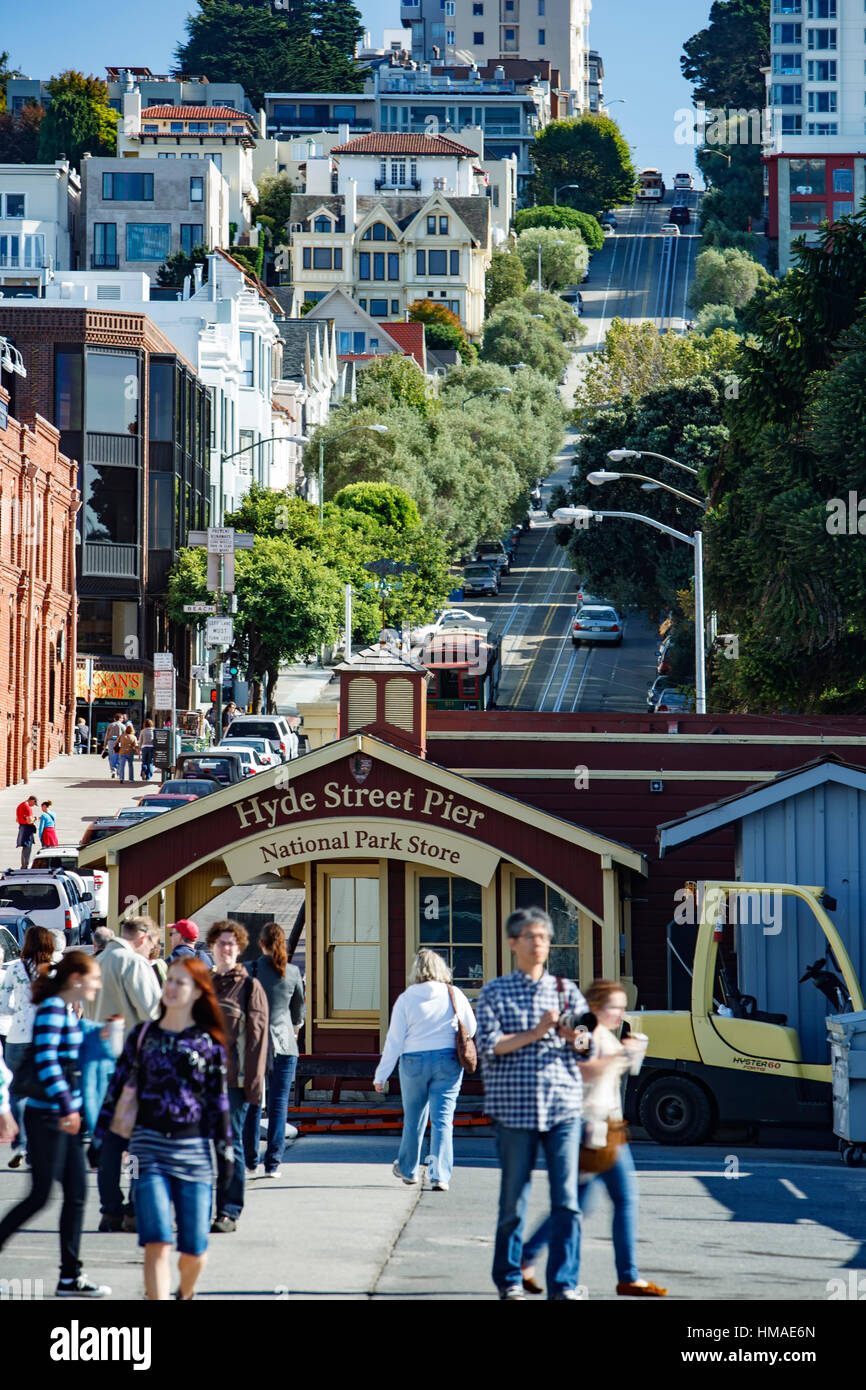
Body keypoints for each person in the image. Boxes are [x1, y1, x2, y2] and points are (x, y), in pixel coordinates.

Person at [92, 958, 232, 1300]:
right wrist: (100, 1138)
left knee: (194, 1250)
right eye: (169, 980)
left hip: (195, 1153)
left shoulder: (209, 1043)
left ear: (198, 991)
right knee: (156, 1241)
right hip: (146, 1151)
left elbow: (219, 1104)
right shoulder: (142, 1035)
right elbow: (116, 1089)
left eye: (180, 982)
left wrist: (226, 1155)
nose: (170, 987)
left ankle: (185, 1293)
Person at [475, 906, 593, 1301]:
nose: (539, 944)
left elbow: (585, 1047)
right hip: (514, 1110)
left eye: (544, 937)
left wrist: (568, 1034)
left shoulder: (566, 990)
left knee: (567, 1201)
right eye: (531, 937)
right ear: (513, 943)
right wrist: (537, 1031)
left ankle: (563, 1284)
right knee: (513, 1201)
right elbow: (490, 1048)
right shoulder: (494, 991)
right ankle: (509, 1279)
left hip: (563, 1109)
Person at [521, 981, 667, 1298]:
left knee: (589, 1204)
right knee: (594, 1204)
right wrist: (620, 1057)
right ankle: (615, 1277)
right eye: (615, 1006)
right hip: (590, 1129)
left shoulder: (600, 1033)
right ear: (596, 1005)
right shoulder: (585, 1030)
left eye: (623, 1006)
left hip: (609, 1128)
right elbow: (583, 1069)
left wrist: (628, 1057)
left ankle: (529, 1257)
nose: (621, 1012)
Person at [0, 951, 112, 1297]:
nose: (98, 983)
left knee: (76, 1195)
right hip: (48, 1116)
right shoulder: (52, 1009)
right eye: (94, 977)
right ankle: (68, 1275)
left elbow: (74, 1042)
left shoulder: (63, 1009)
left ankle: (70, 1278)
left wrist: (103, 1032)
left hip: (63, 1117)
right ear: (76, 979)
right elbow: (47, 1061)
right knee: (40, 1196)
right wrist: (67, 1106)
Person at [373, 948, 476, 1192]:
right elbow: (470, 1028)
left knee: (414, 1117)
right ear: (441, 969)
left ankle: (409, 1169)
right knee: (443, 1120)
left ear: (416, 970)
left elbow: (394, 1041)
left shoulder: (407, 999)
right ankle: (440, 1175)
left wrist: (381, 1076)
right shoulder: (454, 994)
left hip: (413, 1061)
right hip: (447, 1060)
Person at [91, 916, 162, 1234]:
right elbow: (153, 1013)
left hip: (98, 1062)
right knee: (136, 1144)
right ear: (144, 938)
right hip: (132, 1067)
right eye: (154, 944)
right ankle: (133, 1207)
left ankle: (109, 1209)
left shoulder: (98, 960)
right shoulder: (133, 963)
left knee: (107, 1143)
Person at [206, 920, 268, 1233]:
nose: (226, 948)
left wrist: (253, 1088)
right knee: (201, 1146)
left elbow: (257, 1042)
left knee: (230, 1147)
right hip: (201, 1083)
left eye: (232, 943)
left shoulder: (249, 987)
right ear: (211, 947)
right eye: (221, 943)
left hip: (234, 1083)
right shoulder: (201, 984)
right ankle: (201, 1209)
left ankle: (229, 1211)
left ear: (240, 948)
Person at [242, 923, 305, 1179]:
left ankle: (250, 1159)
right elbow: (298, 1012)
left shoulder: (248, 970)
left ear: (261, 944)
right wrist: (295, 1030)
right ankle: (273, 1163)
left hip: (255, 1044)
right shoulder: (291, 972)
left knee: (253, 1103)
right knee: (279, 1105)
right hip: (284, 1043)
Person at [0, 925, 59, 1169]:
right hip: (47, 1037)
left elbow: (3, 1004)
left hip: (18, 1035)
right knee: (46, 1091)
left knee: (16, 1092)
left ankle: (21, 1144)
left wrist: (20, 1011)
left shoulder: (14, 968)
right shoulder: (56, 970)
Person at [15, 795, 37, 869]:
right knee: (27, 847)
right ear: (32, 800)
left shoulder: (20, 806)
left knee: (25, 847)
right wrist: (35, 818)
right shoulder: (27, 808)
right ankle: (25, 866)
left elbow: (17, 820)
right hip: (27, 829)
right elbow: (30, 821)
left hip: (22, 827)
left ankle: (24, 865)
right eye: (34, 803)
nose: (33, 805)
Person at [102, 712, 124, 779]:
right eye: (122, 718)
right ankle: (118, 772)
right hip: (119, 742)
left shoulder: (110, 725)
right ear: (120, 718)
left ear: (115, 719)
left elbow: (106, 735)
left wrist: (105, 744)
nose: (123, 719)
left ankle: (112, 770)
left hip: (110, 741)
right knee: (119, 756)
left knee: (111, 756)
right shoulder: (123, 726)